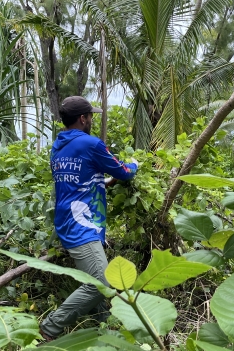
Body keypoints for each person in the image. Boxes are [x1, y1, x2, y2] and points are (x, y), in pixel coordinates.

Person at [39, 96, 138, 341]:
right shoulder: (91, 144)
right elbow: (124, 172)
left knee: (93, 278)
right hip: (82, 225)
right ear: (83, 119)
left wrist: (103, 182)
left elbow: (74, 181)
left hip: (66, 220)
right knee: (101, 283)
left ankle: (103, 329)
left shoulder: (58, 145)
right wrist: (134, 165)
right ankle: (50, 327)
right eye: (91, 115)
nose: (92, 119)